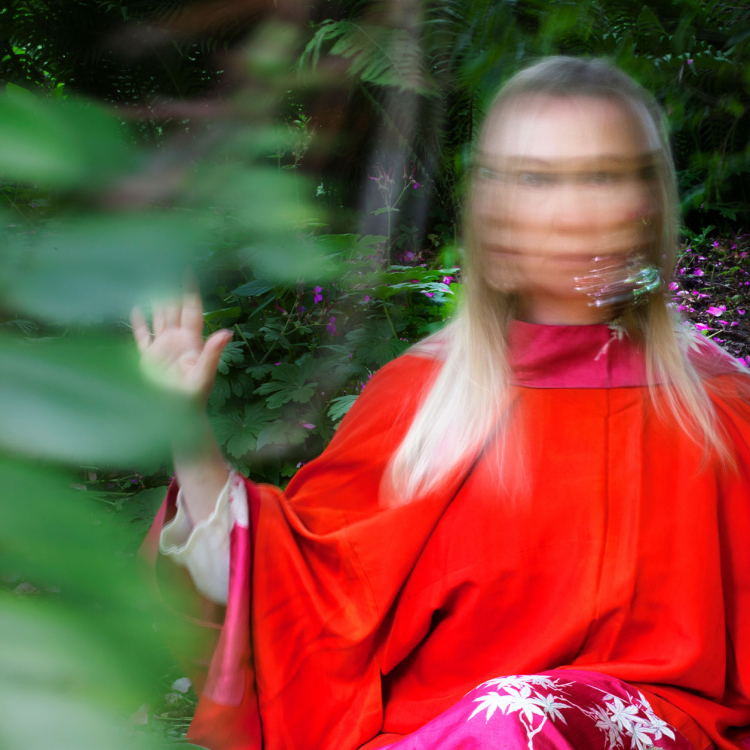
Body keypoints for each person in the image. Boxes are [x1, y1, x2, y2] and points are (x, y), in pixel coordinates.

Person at [135, 56, 750, 750]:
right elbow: (296, 597)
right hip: (442, 735)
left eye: (604, 176)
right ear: (494, 215)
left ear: (651, 205)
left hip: (664, 730)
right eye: (537, 179)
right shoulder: (422, 400)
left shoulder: (720, 406)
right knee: (509, 720)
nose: (574, 213)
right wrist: (189, 435)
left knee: (520, 718)